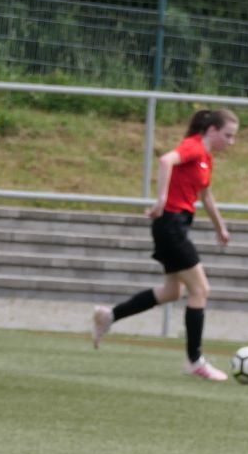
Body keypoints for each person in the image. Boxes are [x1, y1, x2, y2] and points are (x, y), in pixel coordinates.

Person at [92, 109, 239, 381]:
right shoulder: (194, 147)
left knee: (172, 291)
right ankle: (195, 361)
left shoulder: (206, 158)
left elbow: (205, 195)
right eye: (228, 136)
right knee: (200, 290)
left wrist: (220, 226)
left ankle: (110, 315)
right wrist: (161, 200)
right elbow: (165, 160)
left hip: (176, 226)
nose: (231, 142)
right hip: (171, 225)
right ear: (212, 131)